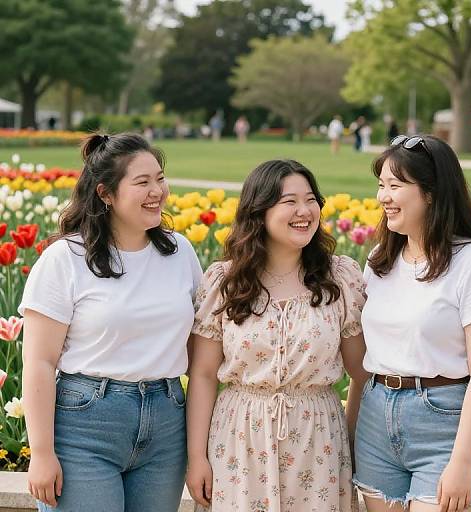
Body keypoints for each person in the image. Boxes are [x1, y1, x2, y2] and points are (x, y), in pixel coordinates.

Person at [20, 133, 203, 512]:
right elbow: (39, 362)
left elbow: (200, 353)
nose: (158, 191)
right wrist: (41, 453)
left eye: (160, 178)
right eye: (142, 182)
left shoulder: (180, 252)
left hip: (166, 422)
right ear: (105, 194)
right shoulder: (65, 258)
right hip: (85, 426)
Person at [185, 159, 369, 512]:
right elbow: (204, 374)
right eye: (290, 202)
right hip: (240, 437)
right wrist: (197, 457)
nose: (304, 211)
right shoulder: (225, 282)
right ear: (259, 211)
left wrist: (348, 439)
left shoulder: (338, 279)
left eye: (311, 199)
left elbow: (361, 373)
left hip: (318, 439)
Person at [354, 134, 471, 512]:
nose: (382, 198)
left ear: (431, 192)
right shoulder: (380, 260)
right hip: (377, 420)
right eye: (381, 186)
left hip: (446, 424)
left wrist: (461, 462)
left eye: (395, 186)